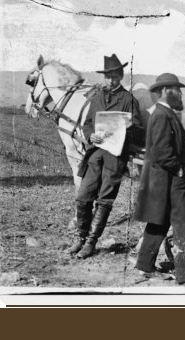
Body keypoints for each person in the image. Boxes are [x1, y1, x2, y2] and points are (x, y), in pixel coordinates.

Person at [68, 54, 143, 259]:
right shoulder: (97, 98)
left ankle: (91, 242)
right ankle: (80, 238)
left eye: (115, 77)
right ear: (104, 77)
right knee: (83, 197)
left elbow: (138, 128)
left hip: (115, 157)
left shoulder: (128, 99)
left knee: (104, 200)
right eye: (108, 77)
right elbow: (88, 123)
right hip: (95, 155)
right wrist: (90, 135)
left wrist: (127, 126)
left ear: (121, 76)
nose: (111, 80)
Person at [134, 73, 185, 286]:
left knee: (158, 221)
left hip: (161, 179)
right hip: (171, 179)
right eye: (177, 89)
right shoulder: (163, 115)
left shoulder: (162, 113)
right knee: (184, 224)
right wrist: (181, 168)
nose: (181, 93)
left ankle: (145, 266)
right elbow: (163, 152)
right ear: (165, 91)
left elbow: (167, 149)